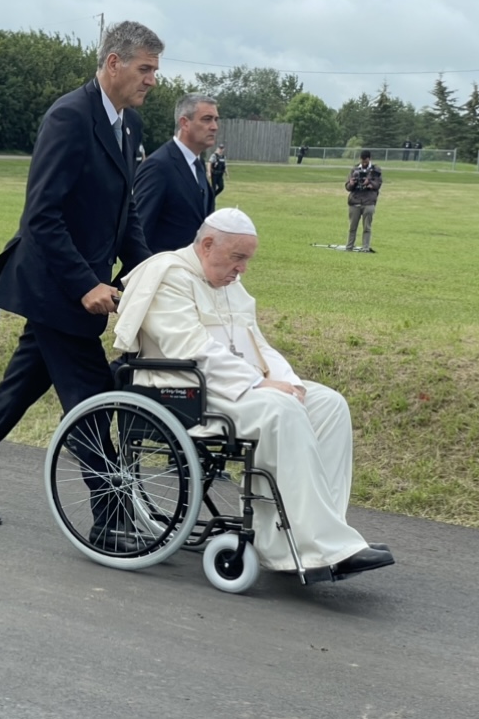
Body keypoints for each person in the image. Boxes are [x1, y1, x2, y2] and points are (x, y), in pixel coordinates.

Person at [0, 20, 158, 527]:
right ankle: (112, 517)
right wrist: (86, 284)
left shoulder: (129, 125)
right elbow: (42, 216)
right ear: (114, 63)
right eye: (145, 69)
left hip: (78, 287)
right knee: (91, 399)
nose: (151, 80)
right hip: (56, 287)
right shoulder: (69, 116)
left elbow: (124, 212)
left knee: (18, 389)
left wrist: (149, 271)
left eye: (154, 70)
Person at [113, 208, 395, 579]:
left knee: (328, 404)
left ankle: (317, 538)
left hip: (234, 386)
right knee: (280, 409)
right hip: (184, 391)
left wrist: (288, 381)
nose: (242, 269)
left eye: (247, 259)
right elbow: (191, 349)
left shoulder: (228, 282)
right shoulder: (168, 275)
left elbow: (256, 342)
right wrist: (259, 383)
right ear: (208, 245)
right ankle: (318, 548)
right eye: (238, 257)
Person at [132, 94, 217, 254]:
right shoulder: (158, 166)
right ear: (184, 123)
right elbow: (138, 233)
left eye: (215, 120)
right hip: (164, 267)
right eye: (207, 119)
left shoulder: (197, 164)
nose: (214, 126)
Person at [345, 149, 382, 252]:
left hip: (368, 202)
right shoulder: (355, 169)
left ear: (369, 159)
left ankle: (365, 247)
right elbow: (347, 187)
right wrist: (351, 183)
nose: (364, 163)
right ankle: (349, 246)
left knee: (367, 227)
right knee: (352, 227)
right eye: (362, 161)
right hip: (355, 201)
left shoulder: (375, 170)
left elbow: (378, 184)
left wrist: (369, 182)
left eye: (365, 161)